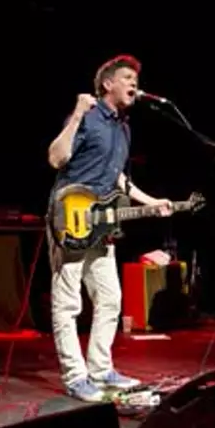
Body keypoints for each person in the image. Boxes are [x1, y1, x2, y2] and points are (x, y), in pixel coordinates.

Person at [46, 54, 173, 402]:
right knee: (68, 302)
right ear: (107, 84)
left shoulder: (123, 127)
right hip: (70, 215)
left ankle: (101, 370)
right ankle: (75, 377)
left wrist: (151, 202)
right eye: (127, 78)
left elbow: (117, 179)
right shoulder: (87, 117)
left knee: (110, 298)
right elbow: (56, 158)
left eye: (135, 79)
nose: (134, 83)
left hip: (102, 223)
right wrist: (76, 115)